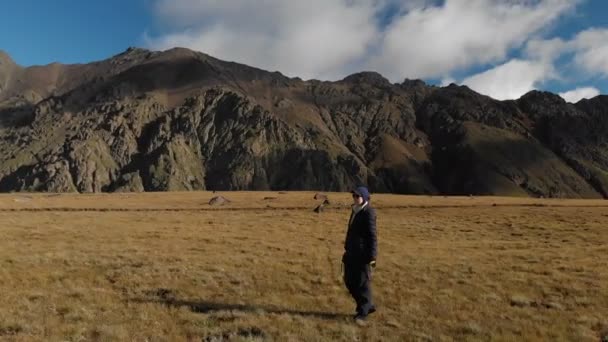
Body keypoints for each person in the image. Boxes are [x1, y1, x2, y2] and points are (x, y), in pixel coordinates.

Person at [342, 186, 377, 323]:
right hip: (351, 252)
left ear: (364, 197)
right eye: (354, 196)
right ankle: (367, 305)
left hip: (362, 255)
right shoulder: (355, 210)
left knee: (362, 284)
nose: (355, 198)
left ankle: (363, 312)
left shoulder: (368, 213)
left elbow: (372, 236)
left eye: (357, 196)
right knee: (349, 281)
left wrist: (372, 257)